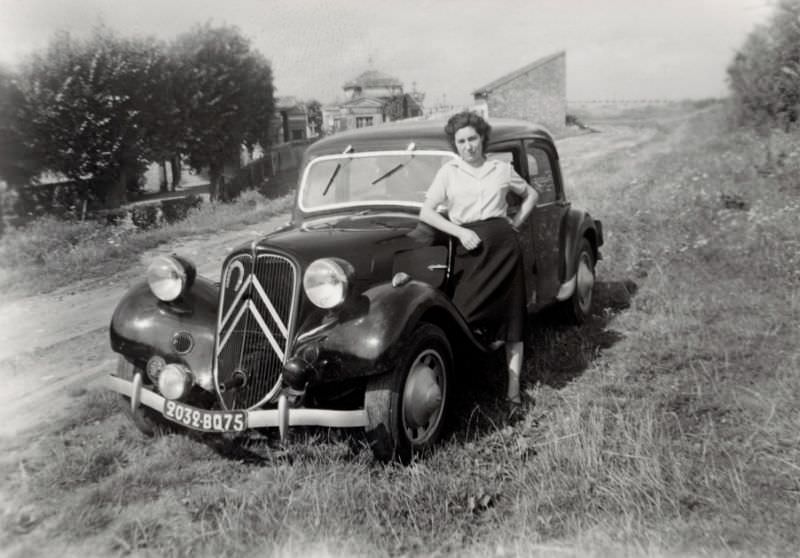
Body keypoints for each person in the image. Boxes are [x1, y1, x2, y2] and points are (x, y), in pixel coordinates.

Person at [419, 111, 538, 406]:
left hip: (504, 249)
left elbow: (531, 194)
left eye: (472, 138)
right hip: (469, 249)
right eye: (461, 141)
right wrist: (458, 232)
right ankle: (461, 386)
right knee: (463, 314)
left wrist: (516, 222)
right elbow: (427, 212)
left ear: (483, 138)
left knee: (513, 321)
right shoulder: (449, 172)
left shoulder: (500, 168)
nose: (468, 146)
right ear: (455, 145)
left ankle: (512, 390)